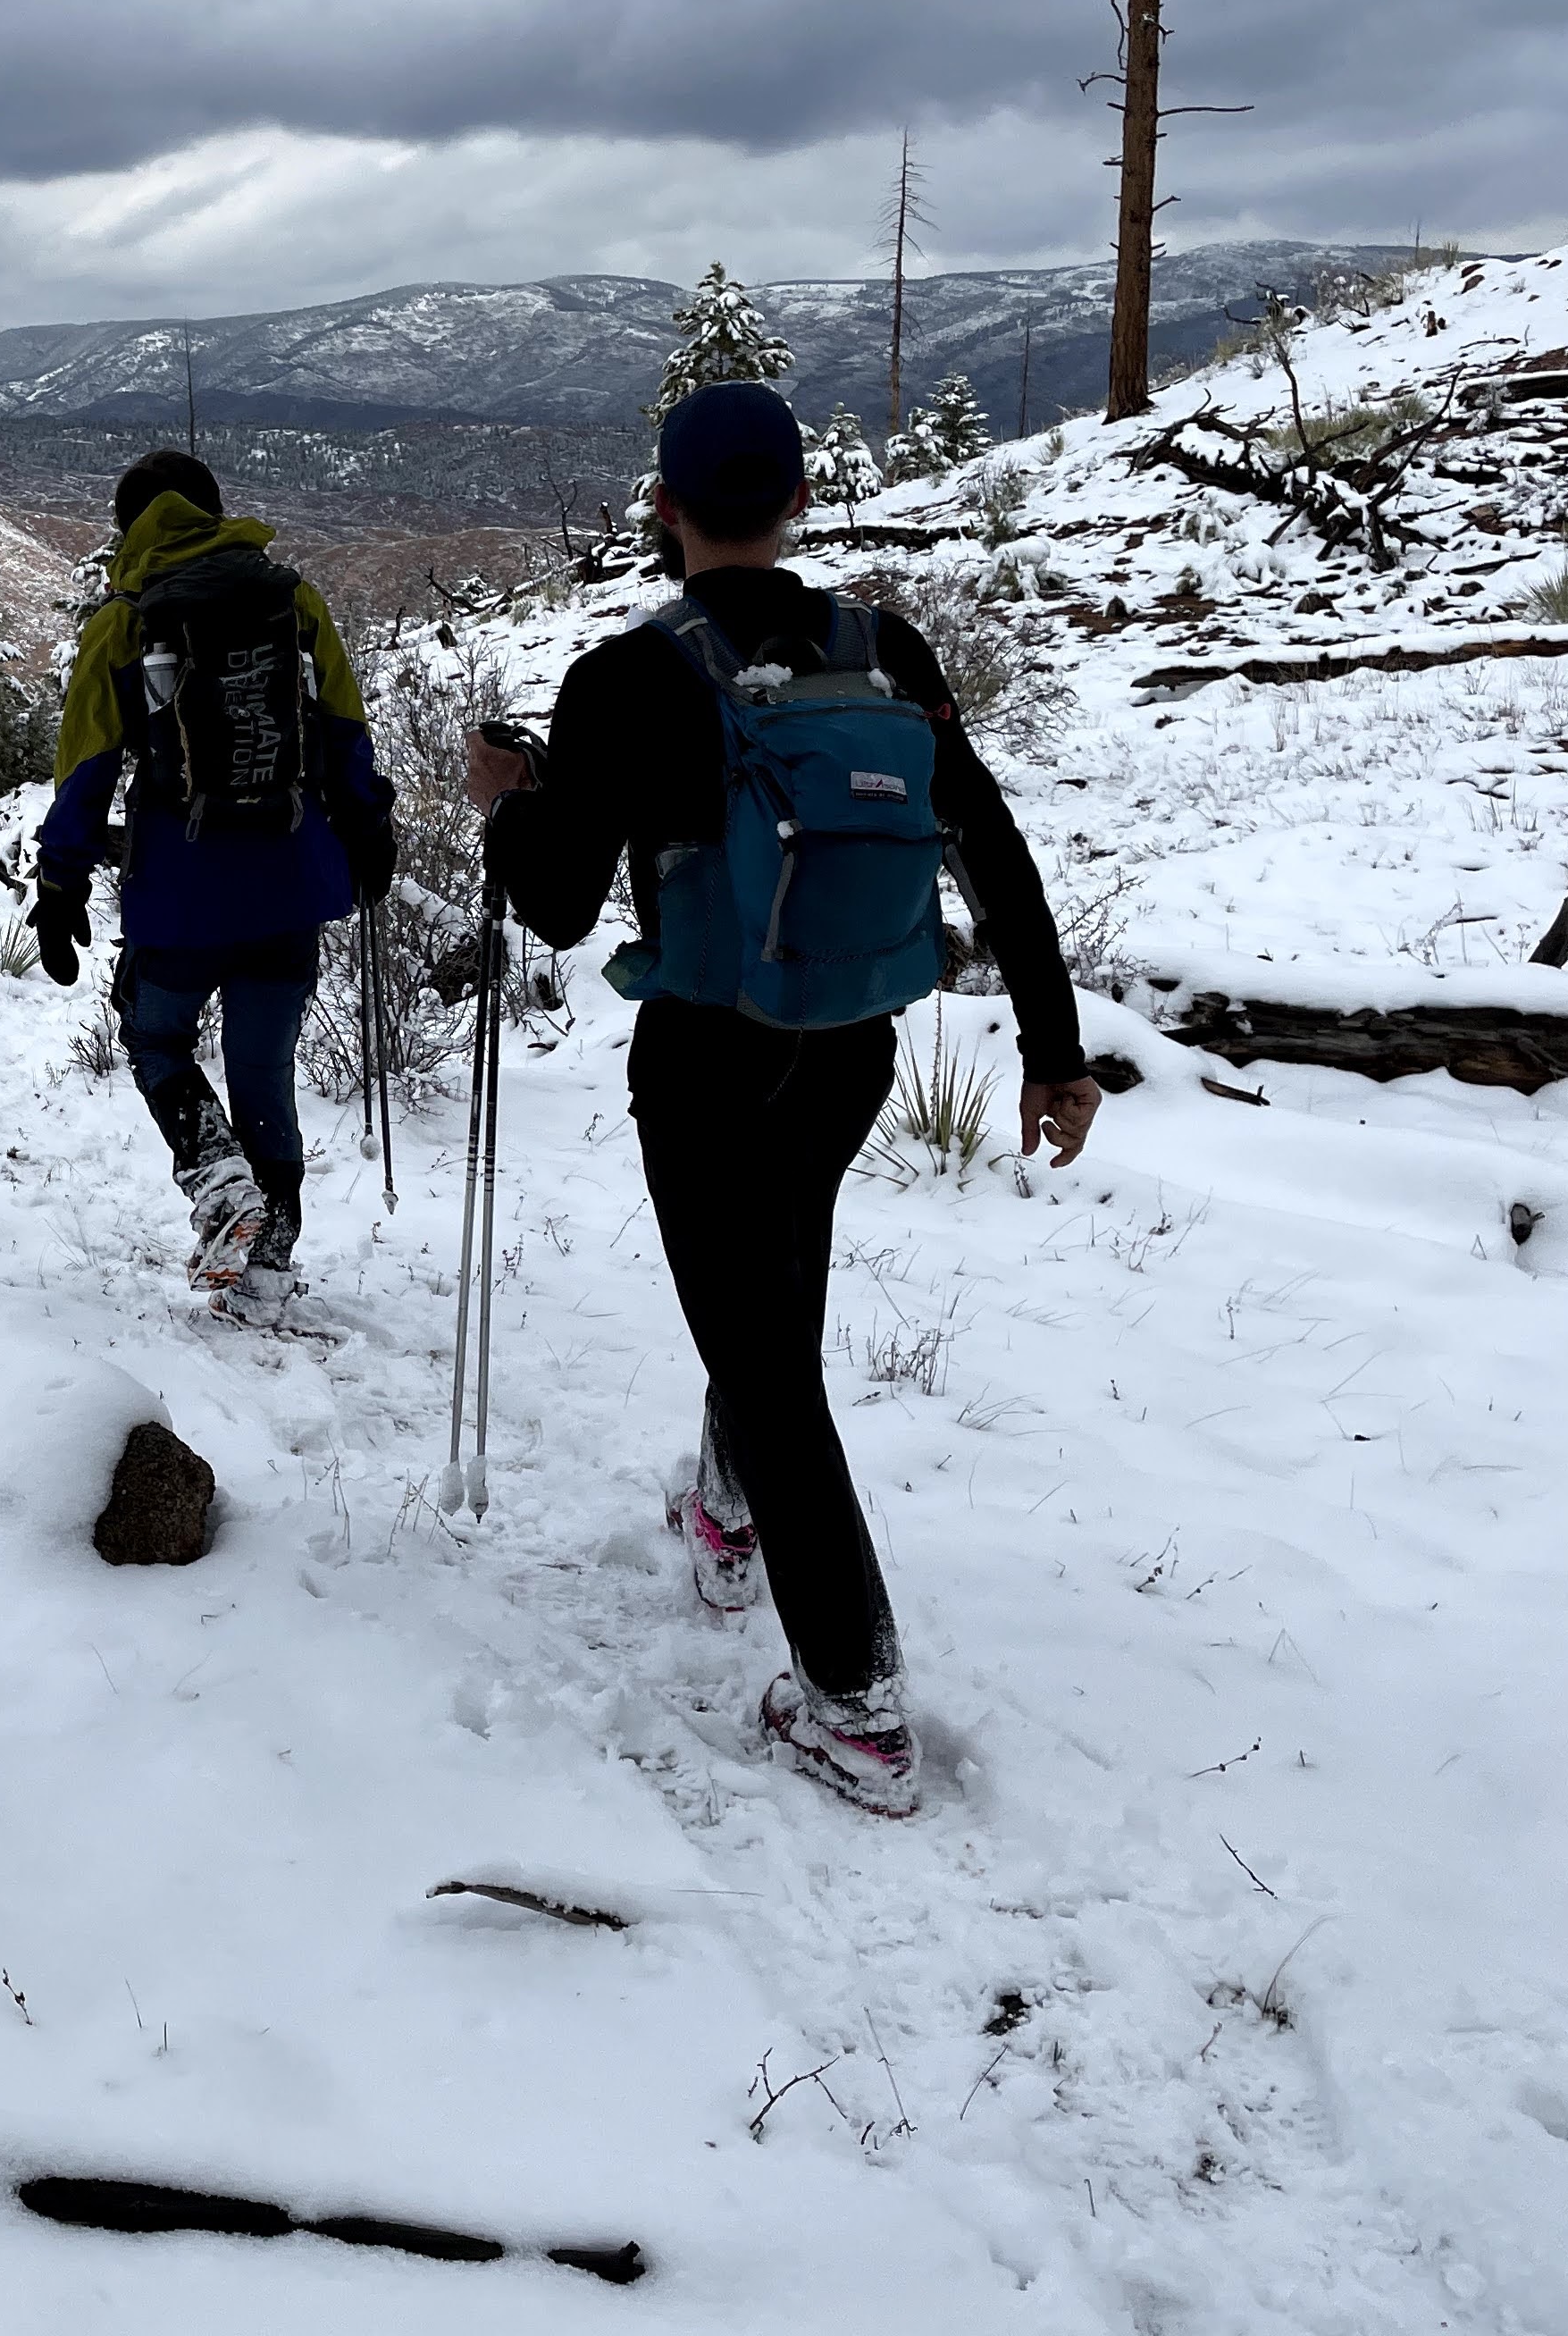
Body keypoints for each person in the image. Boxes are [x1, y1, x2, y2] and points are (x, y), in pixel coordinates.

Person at [465, 381, 1103, 1819]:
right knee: (772, 1303)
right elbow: (989, 845)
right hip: (850, 1045)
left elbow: (560, 907)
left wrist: (508, 801)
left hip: (704, 1060)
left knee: (768, 1360)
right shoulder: (883, 653)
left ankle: (857, 1710)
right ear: (799, 504)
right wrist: (1052, 1052)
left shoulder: (634, 674)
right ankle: (727, 1517)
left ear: (665, 510)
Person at [34, 451, 397, 1312]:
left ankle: (218, 1181)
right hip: (291, 877)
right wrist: (369, 831)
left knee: (155, 1036)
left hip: (181, 891)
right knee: (263, 1066)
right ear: (214, 511)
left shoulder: (125, 624)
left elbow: (87, 771)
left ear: (129, 529)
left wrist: (61, 885)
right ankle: (268, 1256)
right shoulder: (293, 601)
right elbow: (345, 730)